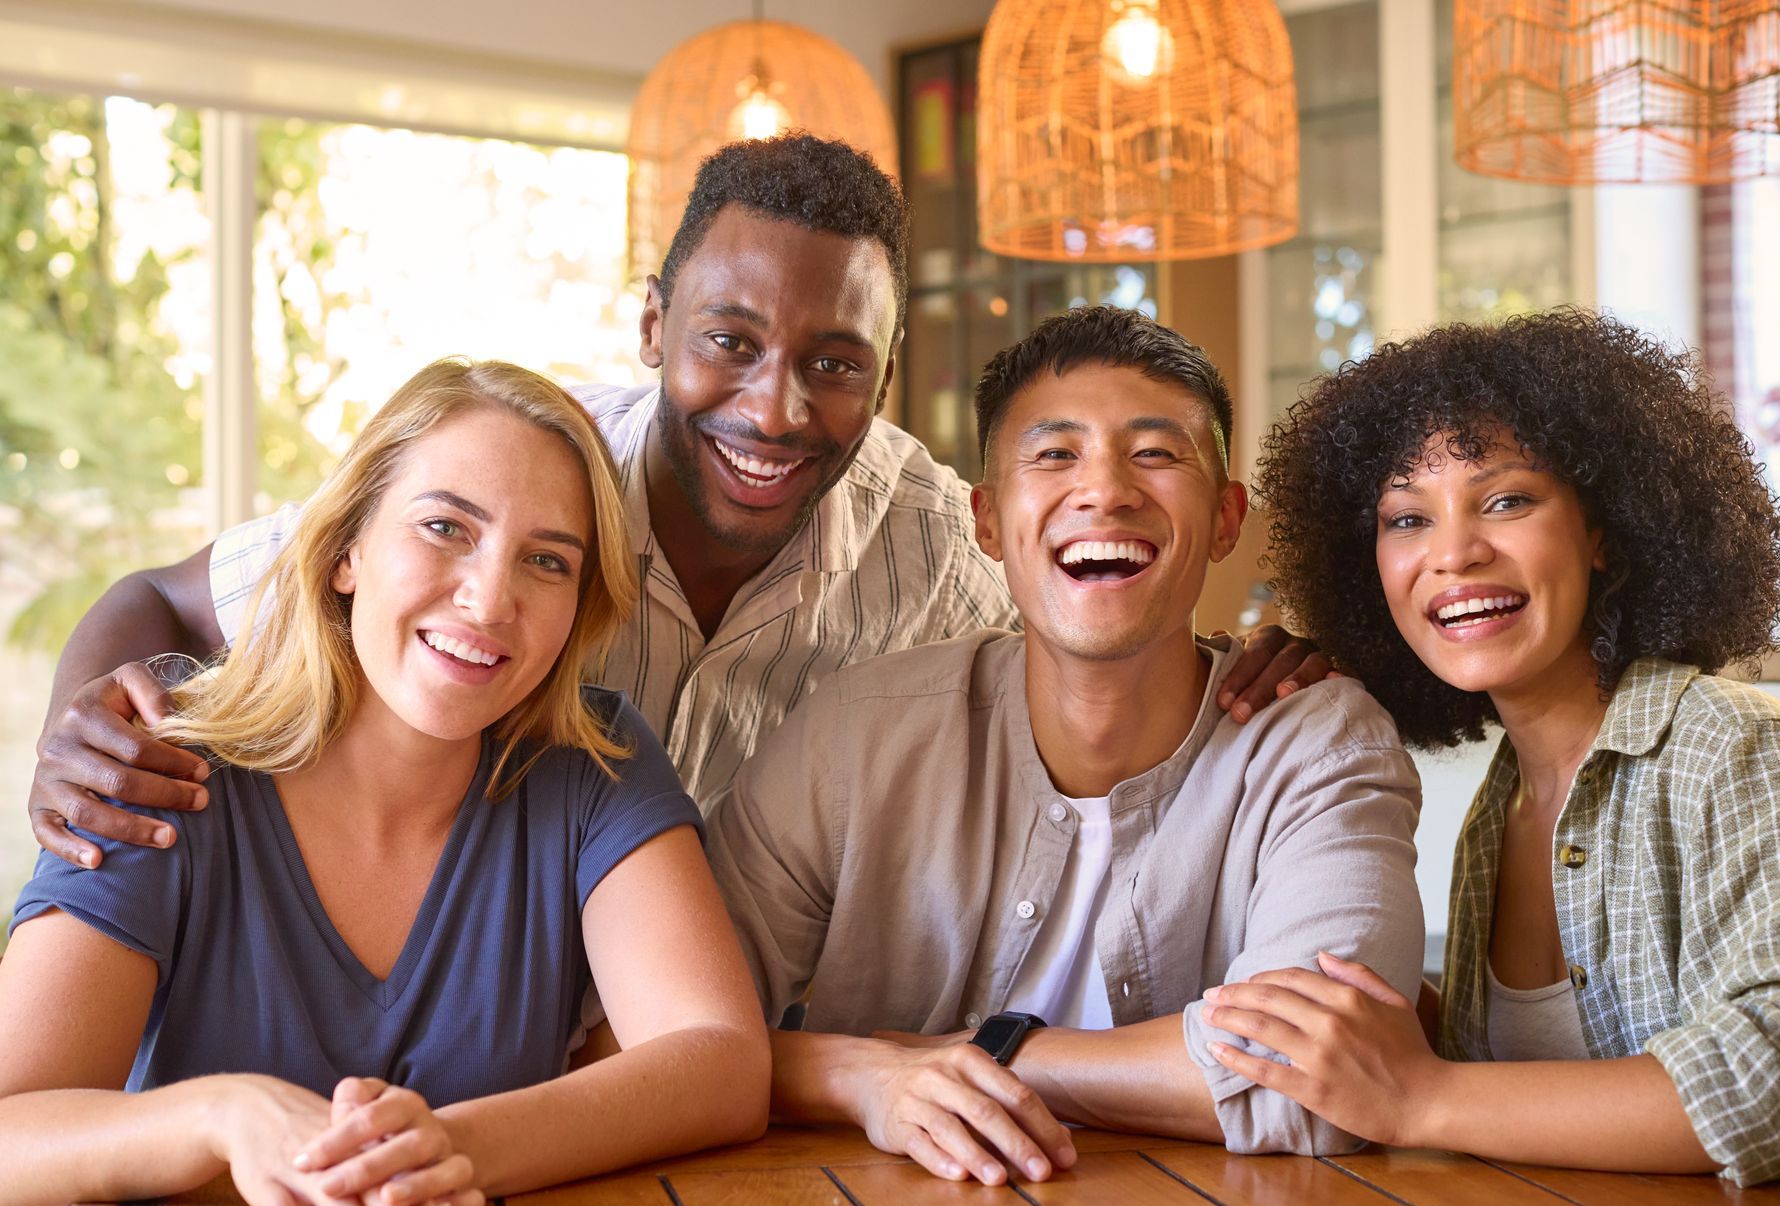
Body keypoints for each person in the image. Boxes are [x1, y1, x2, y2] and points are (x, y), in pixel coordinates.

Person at [30, 135, 1324, 869]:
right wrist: (78, 732)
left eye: (835, 365)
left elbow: (1091, 639)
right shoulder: (514, 478)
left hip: (719, 1037)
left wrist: (1249, 666)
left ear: (886, 373)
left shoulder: (933, 536)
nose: (774, 409)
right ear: (655, 326)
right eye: (731, 343)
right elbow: (155, 594)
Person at [0, 360, 769, 1206]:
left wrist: (448, 1145)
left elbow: (721, 1061)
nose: (490, 599)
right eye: (446, 527)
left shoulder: (593, 766)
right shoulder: (164, 756)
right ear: (345, 551)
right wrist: (221, 1116)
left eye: (547, 560)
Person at [1224, 308, 1780, 1206]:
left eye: (1507, 500)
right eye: (1406, 518)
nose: (1453, 553)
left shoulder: (1728, 747)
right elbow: (1540, 1093)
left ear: (1604, 528)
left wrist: (1420, 1093)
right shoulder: (1499, 808)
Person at [705, 307, 1425, 1184]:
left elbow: (1330, 1083)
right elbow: (658, 1034)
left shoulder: (1316, 742)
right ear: (986, 519)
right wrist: (862, 1077)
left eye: (1156, 453)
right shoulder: (857, 736)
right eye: (1054, 455)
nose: (1106, 490)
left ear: (1228, 518)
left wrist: (972, 1054)